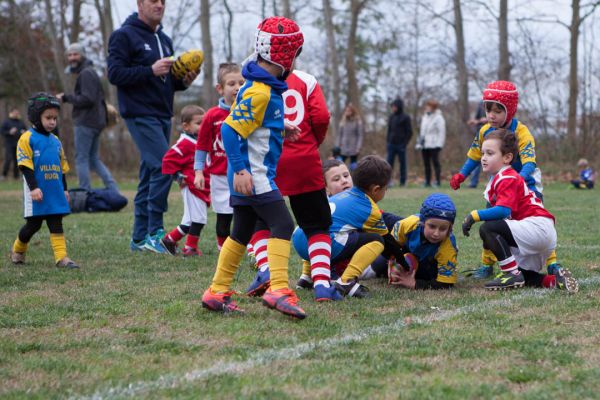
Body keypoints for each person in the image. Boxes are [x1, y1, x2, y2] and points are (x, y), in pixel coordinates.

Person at [200, 16, 306, 319]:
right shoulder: (260, 91)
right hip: (254, 175)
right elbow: (230, 131)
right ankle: (279, 288)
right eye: (295, 56)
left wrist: (279, 127)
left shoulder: (258, 86)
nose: (296, 64)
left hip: (247, 174)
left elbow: (250, 124)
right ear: (284, 57)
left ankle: (217, 291)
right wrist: (241, 170)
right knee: (284, 225)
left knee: (242, 230)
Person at [107, 0, 199, 253]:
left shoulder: (165, 39)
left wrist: (184, 82)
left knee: (150, 173)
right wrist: (149, 69)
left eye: (162, 1)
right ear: (140, 4)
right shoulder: (123, 36)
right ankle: (154, 232)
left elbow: (165, 82)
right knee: (164, 165)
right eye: (152, 0)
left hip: (162, 114)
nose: (159, 5)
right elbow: (115, 74)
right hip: (138, 112)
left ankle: (138, 238)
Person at [450, 80, 565, 281]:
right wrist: (462, 175)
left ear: (510, 110)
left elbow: (530, 163)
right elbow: (475, 155)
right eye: (488, 110)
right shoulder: (485, 131)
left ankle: (552, 263)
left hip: (526, 183)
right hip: (499, 183)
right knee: (491, 219)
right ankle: (487, 265)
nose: (491, 115)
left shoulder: (522, 133)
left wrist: (516, 183)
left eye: (498, 110)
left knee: (537, 217)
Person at [243, 68, 338, 302]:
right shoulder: (307, 80)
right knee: (316, 224)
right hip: (303, 158)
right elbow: (322, 117)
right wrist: (311, 142)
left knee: (261, 219)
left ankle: (266, 270)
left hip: (265, 158)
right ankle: (323, 284)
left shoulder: (253, 81)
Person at [461, 129, 578, 292]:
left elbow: (502, 211)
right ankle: (553, 280)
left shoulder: (507, 177)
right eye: (483, 153)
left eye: (490, 153)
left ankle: (510, 274)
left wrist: (473, 216)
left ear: (507, 157)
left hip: (537, 227)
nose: (484, 158)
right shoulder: (501, 177)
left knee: (488, 228)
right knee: (521, 272)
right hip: (541, 233)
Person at [292, 156, 410, 298]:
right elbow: (388, 242)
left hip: (300, 238)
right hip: (323, 245)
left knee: (320, 232)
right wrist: (404, 263)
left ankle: (307, 277)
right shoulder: (368, 208)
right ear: (376, 189)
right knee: (377, 240)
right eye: (386, 189)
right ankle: (346, 282)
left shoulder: (340, 196)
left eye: (346, 175)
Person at [10, 93, 79, 269]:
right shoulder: (27, 138)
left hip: (55, 192)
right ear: (36, 117)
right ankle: (18, 249)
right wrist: (33, 188)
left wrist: (64, 189)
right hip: (37, 191)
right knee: (33, 225)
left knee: (56, 222)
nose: (52, 122)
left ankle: (62, 258)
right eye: (48, 118)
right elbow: (25, 166)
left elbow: (62, 168)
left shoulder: (56, 141)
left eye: (54, 118)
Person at [193, 63, 244, 250]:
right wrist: (198, 172)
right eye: (231, 83)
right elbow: (202, 146)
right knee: (224, 217)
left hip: (244, 174)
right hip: (220, 177)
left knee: (248, 214)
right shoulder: (212, 116)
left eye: (242, 82)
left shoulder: (250, 111)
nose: (237, 87)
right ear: (220, 89)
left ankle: (253, 250)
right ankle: (224, 249)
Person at [56, 42, 118, 192]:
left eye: (75, 54)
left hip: (86, 122)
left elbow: (87, 99)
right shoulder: (88, 72)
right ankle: (112, 189)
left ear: (82, 55)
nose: (72, 58)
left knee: (81, 158)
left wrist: (66, 97)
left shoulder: (86, 73)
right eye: (70, 55)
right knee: (92, 159)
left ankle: (84, 191)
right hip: (95, 122)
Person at [160, 105, 210, 257]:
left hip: (200, 185)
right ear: (186, 126)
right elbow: (167, 160)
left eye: (204, 123)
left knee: (189, 220)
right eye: (199, 123)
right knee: (199, 218)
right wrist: (178, 176)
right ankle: (190, 248)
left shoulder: (200, 141)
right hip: (191, 186)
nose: (203, 127)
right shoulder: (184, 143)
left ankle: (169, 239)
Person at [383, 193, 459, 290]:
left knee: (425, 275)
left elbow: (445, 284)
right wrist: (392, 262)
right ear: (422, 222)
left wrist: (415, 284)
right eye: (432, 226)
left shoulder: (448, 247)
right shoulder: (408, 224)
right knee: (380, 264)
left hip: (429, 268)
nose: (436, 233)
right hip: (406, 251)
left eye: (443, 229)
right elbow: (392, 246)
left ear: (450, 228)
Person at [416, 99, 446, 188]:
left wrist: (440, 144)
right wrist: (419, 143)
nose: (427, 108)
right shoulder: (425, 116)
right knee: (426, 164)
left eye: (429, 106)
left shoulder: (439, 117)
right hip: (425, 144)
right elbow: (422, 132)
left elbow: (442, 132)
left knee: (435, 163)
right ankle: (427, 181)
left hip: (434, 144)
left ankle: (437, 181)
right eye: (427, 106)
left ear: (433, 108)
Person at [386, 98, 412, 186]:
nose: (393, 108)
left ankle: (403, 182)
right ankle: (388, 181)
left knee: (402, 164)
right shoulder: (391, 117)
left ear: (399, 106)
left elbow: (409, 132)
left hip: (401, 145)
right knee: (389, 164)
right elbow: (389, 130)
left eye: (394, 106)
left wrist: (404, 144)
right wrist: (388, 141)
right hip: (391, 144)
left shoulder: (406, 117)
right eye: (392, 106)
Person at [465, 101, 487, 188]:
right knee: (476, 158)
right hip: (479, 134)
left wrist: (486, 120)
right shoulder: (480, 104)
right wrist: (475, 121)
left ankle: (492, 182)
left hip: (491, 135)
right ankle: (473, 182)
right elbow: (478, 119)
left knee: (490, 159)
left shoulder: (495, 104)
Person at [335, 104, 363, 169]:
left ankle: (353, 177)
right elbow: (339, 134)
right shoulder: (343, 121)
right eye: (346, 111)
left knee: (353, 166)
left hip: (354, 147)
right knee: (339, 164)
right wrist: (337, 146)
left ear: (352, 112)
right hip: (343, 147)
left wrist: (358, 147)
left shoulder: (358, 121)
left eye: (349, 111)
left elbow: (360, 135)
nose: (347, 112)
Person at [1, 107, 26, 180]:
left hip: (18, 144)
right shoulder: (7, 121)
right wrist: (9, 132)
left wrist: (24, 132)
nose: (16, 114)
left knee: (17, 160)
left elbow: (26, 130)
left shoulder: (21, 122)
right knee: (8, 159)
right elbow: (2, 131)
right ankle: (4, 175)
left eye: (17, 113)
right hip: (9, 143)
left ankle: (16, 176)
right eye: (15, 112)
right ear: (11, 113)